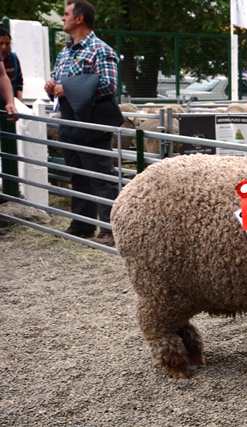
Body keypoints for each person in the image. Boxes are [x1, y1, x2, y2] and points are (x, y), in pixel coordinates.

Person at [44, 1, 122, 246]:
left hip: (92, 119)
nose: (62, 18)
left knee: (100, 175)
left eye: (66, 14)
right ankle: (81, 224)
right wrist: (52, 88)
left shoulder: (101, 49)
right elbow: (61, 84)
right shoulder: (65, 51)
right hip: (69, 118)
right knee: (78, 173)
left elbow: (108, 84)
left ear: (79, 19)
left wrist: (66, 88)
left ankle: (111, 228)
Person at [0, 28, 23, 102]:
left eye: (7, 44)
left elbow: (19, 81)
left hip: (10, 101)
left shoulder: (13, 58)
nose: (4, 47)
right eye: (1, 43)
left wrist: (19, 99)